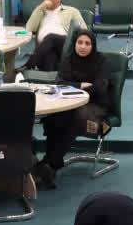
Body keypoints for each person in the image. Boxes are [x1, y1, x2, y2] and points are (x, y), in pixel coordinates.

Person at [39, 30, 113, 187]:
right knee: (55, 116)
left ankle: (50, 164)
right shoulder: (68, 59)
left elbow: (100, 88)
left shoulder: (102, 61)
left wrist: (73, 87)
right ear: (74, 44)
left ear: (93, 45)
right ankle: (49, 167)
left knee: (73, 117)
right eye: (80, 42)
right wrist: (80, 85)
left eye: (87, 43)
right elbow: (59, 83)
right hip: (70, 104)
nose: (83, 46)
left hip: (96, 107)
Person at [23, 0, 88, 72]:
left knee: (51, 37)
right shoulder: (41, 11)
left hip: (66, 45)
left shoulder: (72, 11)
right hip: (44, 48)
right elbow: (29, 28)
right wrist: (40, 7)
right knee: (50, 56)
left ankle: (28, 65)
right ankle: (53, 77)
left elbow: (85, 31)